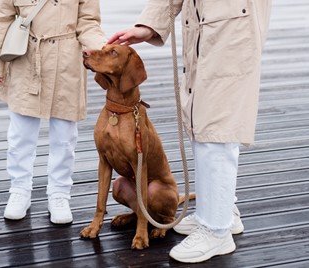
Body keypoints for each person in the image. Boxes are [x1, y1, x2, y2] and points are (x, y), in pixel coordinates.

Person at [108, 0, 271, 263]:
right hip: (206, 24)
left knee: (217, 123)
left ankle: (216, 231)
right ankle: (221, 213)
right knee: (201, 119)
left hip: (231, 24)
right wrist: (149, 25)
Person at [0, 0, 106, 224]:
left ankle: (59, 193)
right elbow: (1, 19)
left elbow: (88, 22)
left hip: (67, 61)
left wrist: (103, 48)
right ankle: (19, 189)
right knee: (20, 135)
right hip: (25, 57)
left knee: (64, 136)